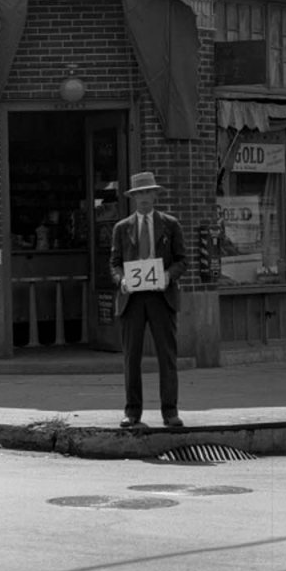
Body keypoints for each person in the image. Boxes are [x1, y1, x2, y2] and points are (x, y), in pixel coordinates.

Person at [108, 171, 187, 428]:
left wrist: (168, 275)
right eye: (138, 194)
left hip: (161, 297)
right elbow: (114, 263)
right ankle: (132, 412)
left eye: (147, 192)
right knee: (132, 356)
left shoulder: (170, 224)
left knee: (167, 355)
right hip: (132, 300)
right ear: (133, 198)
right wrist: (120, 280)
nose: (143, 198)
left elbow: (182, 260)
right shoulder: (122, 228)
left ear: (155, 195)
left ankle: (170, 411)